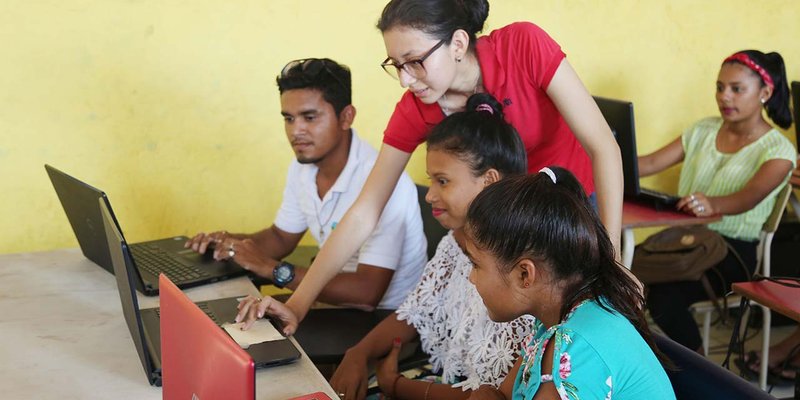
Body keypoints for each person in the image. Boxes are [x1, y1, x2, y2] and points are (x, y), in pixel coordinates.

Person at [248, 0, 625, 336]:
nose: (405, 79)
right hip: (505, 229)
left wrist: (613, 262)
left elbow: (602, 146)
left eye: (415, 61)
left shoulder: (523, 46)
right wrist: (298, 303)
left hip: (572, 210)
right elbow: (365, 210)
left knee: (587, 324)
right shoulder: (415, 108)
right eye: (395, 65)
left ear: (458, 44)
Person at [324, 93, 535, 400]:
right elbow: (416, 312)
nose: (430, 195)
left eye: (443, 181)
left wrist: (396, 385)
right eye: (431, 181)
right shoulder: (455, 243)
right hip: (440, 381)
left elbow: (493, 395)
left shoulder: (521, 267)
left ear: (489, 181)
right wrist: (358, 353)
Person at [186, 58, 427, 314]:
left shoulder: (386, 182)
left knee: (244, 327)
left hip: (384, 320)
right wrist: (230, 244)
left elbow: (366, 293)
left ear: (346, 117)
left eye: (309, 117)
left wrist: (271, 268)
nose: (296, 131)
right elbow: (281, 238)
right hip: (333, 304)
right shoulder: (303, 167)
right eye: (288, 119)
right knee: (230, 316)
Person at [463, 168, 674, 400]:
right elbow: (501, 395)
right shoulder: (559, 318)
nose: (471, 278)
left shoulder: (577, 349)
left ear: (525, 274)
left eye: (476, 265)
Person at [638, 50, 796, 353]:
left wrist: (714, 204)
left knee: (664, 298)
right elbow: (647, 164)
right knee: (625, 279)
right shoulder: (703, 129)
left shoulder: (779, 150)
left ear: (764, 93)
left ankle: (700, 374)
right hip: (685, 242)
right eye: (719, 87)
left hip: (732, 253)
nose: (725, 96)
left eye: (737, 89)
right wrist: (598, 150)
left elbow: (750, 197)